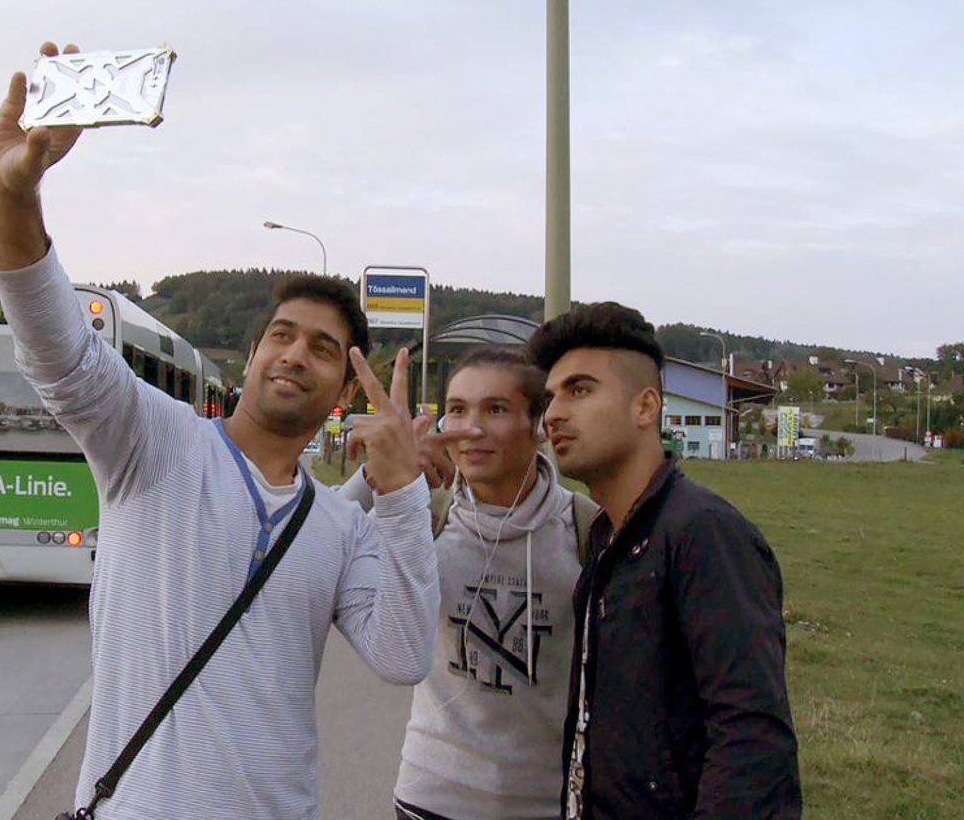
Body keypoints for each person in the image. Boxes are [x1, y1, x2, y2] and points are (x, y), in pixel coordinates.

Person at [0, 41, 444, 819]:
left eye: (324, 349)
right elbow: (58, 349)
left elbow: (402, 656)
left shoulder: (338, 524)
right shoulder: (154, 446)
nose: (297, 354)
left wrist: (400, 492)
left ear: (340, 390)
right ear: (254, 352)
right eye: (284, 335)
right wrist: (9, 199)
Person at [525, 303, 802, 819]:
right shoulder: (607, 540)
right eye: (551, 396)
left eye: (579, 390)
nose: (554, 414)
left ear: (646, 407)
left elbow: (751, 740)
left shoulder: (703, 534)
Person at [340, 346, 599, 820]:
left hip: (544, 802)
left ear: (537, 426)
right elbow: (322, 541)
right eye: (457, 410)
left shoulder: (585, 530)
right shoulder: (426, 514)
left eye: (496, 409)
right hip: (430, 796)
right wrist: (380, 472)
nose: (472, 428)